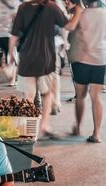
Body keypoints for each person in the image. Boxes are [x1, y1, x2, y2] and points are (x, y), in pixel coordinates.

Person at [8, 0, 83, 138]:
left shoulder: (22, 8)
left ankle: (27, 131)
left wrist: (10, 55)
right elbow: (70, 26)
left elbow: (14, 35)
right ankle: (44, 125)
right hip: (45, 58)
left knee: (28, 96)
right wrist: (78, 9)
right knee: (47, 94)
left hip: (27, 59)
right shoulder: (52, 7)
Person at [67, 0, 106, 143]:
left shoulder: (82, 14)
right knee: (96, 97)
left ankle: (78, 127)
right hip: (100, 60)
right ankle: (96, 134)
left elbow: (71, 31)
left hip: (82, 60)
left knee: (80, 96)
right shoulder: (105, 14)